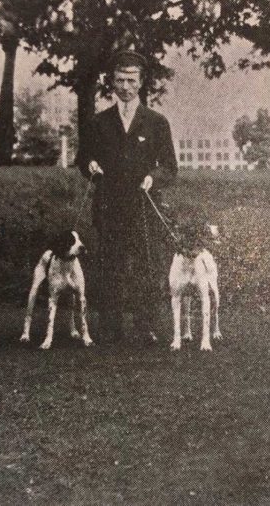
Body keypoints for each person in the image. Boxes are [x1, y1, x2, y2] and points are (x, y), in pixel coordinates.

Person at [76, 49, 178, 344]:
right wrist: (90, 165)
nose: (125, 87)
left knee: (147, 266)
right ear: (112, 82)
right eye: (119, 80)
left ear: (141, 82)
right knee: (110, 266)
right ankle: (110, 326)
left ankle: (147, 326)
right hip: (109, 206)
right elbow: (84, 159)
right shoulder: (98, 122)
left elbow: (170, 168)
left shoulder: (157, 122)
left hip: (144, 206)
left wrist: (152, 179)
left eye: (131, 81)